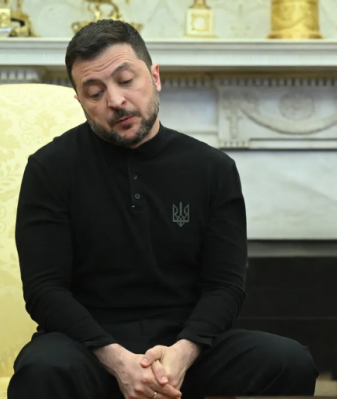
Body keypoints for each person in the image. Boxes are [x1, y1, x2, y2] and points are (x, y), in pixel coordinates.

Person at [8, 19, 318, 399]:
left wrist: (182, 354)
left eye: (126, 80)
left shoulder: (211, 169)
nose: (115, 100)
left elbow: (225, 285)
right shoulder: (50, 168)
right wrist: (117, 359)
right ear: (80, 102)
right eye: (94, 92)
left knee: (289, 361)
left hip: (186, 346)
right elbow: (45, 289)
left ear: (154, 76)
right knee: (42, 369)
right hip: (88, 348)